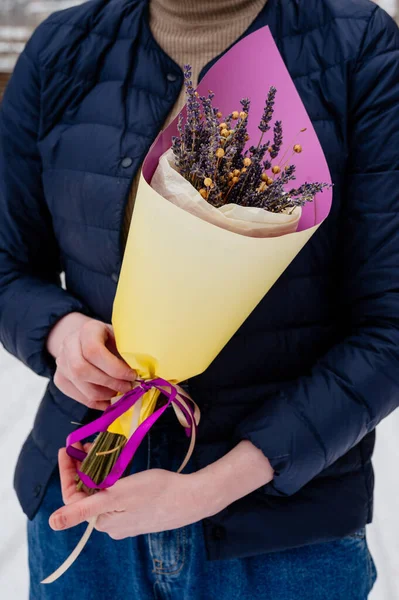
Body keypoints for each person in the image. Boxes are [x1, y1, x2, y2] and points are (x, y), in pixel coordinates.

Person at [1, 0, 398, 598]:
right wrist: (62, 335)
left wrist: (213, 485)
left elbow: (389, 322)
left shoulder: (355, 43)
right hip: (86, 509)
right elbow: (7, 265)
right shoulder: (62, 48)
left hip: (281, 536)